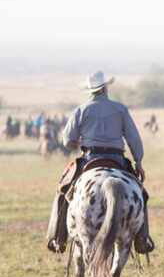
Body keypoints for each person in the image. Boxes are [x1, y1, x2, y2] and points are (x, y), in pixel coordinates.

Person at [46, 71, 153, 254]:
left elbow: (67, 141)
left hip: (90, 158)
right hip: (118, 159)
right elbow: (133, 139)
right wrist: (138, 162)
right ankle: (142, 239)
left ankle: (58, 237)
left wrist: (78, 143)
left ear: (91, 90)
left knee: (64, 188)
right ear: (105, 88)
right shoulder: (120, 109)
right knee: (140, 193)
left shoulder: (81, 110)